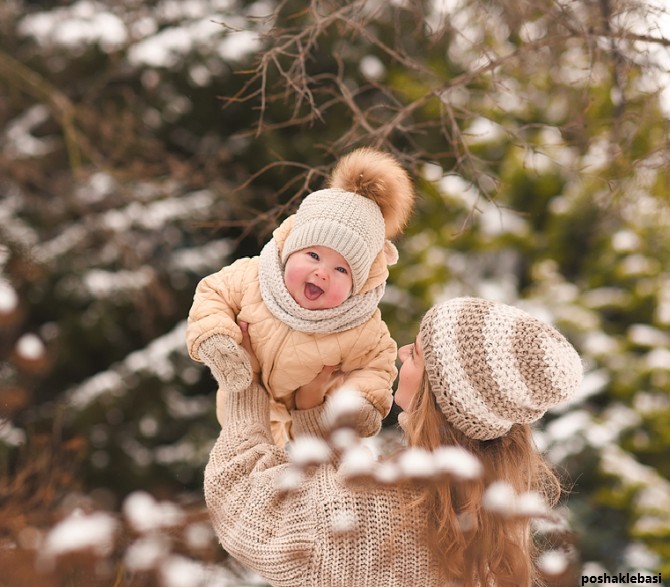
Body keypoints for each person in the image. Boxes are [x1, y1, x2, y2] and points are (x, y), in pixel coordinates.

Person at [203, 297, 583, 587]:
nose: (402, 353)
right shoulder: (489, 521)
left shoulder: (381, 510)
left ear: (438, 395)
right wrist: (316, 418)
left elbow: (237, 501)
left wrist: (244, 383)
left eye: (416, 354)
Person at [186, 147, 415, 445]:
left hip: (309, 430)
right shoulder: (252, 277)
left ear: (356, 286)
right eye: (313, 255)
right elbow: (212, 294)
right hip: (239, 412)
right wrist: (218, 340)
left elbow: (377, 365)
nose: (322, 273)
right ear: (290, 249)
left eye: (342, 270)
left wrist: (358, 403)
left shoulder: (359, 326)